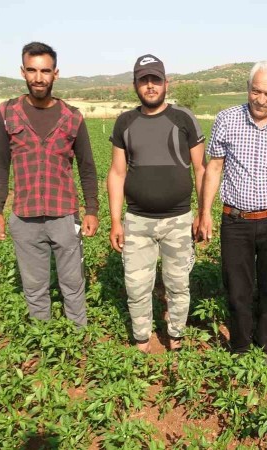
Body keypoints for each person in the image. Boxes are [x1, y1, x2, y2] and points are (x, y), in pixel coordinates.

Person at [0, 42, 98, 328]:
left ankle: (78, 340)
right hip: (24, 215)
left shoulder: (72, 116)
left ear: (55, 74)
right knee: (34, 286)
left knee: (73, 283)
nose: (39, 77)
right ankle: (43, 340)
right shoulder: (7, 113)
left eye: (45, 71)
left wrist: (92, 210)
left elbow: (87, 167)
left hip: (64, 214)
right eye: (32, 70)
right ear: (23, 72)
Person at [107, 54, 206, 352]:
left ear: (166, 82)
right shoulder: (125, 122)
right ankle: (141, 339)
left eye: (155, 80)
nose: (150, 86)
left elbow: (201, 169)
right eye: (143, 80)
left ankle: (175, 336)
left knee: (178, 284)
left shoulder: (183, 118)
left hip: (179, 220)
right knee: (137, 287)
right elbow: (116, 172)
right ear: (135, 85)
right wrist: (115, 220)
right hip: (137, 221)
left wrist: (204, 214)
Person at [199, 62, 267, 367]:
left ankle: (264, 347)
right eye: (256, 90)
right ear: (248, 88)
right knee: (238, 289)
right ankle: (240, 347)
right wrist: (204, 213)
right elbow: (213, 168)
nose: (261, 99)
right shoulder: (226, 119)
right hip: (236, 220)